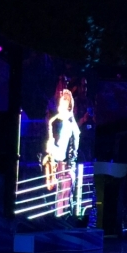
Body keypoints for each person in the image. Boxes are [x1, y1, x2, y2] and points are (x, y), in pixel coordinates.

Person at [46, 89, 81, 217]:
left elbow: (61, 155)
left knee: (61, 215)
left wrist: (51, 147)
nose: (58, 108)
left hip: (64, 173)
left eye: (60, 105)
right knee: (66, 211)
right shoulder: (74, 125)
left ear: (67, 107)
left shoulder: (67, 126)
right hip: (69, 172)